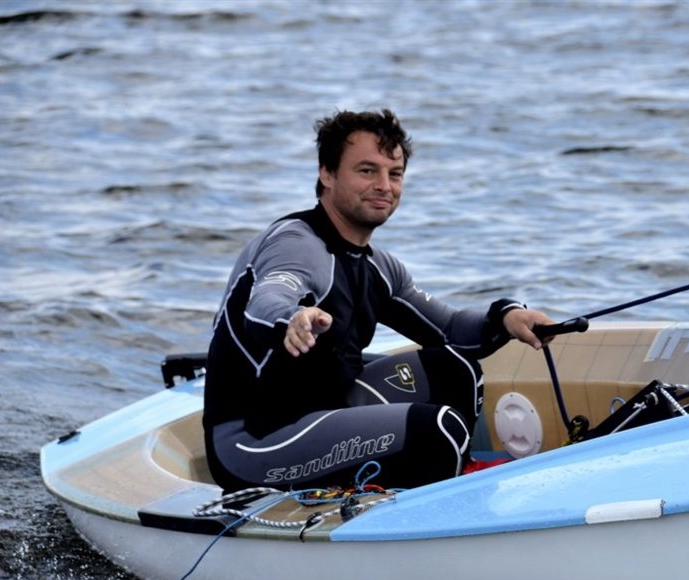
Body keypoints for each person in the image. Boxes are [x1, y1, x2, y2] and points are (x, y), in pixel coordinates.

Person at [203, 108, 555, 494]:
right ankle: (431, 509)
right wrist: (293, 317)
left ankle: (441, 481)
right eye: (367, 171)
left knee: (454, 369)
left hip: (327, 413)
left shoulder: (379, 268)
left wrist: (507, 316)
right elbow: (266, 300)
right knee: (434, 428)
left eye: (395, 174)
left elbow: (451, 329)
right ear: (327, 173)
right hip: (255, 443)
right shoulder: (296, 244)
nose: (384, 186)